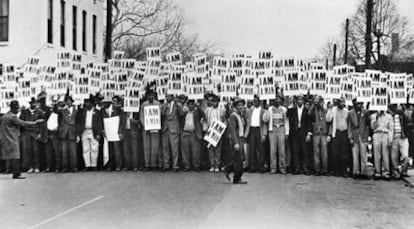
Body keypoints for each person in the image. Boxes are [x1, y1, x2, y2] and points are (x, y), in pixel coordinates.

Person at [0, 101, 44, 179]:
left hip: (5, 137)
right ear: (14, 108)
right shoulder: (13, 117)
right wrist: (34, 122)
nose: (18, 110)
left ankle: (10, 170)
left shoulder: (4, 116)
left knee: (10, 156)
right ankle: (16, 173)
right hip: (12, 137)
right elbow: (22, 123)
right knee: (16, 156)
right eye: (17, 108)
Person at [223, 97, 247, 184]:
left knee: (241, 158)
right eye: (239, 105)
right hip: (236, 139)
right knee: (239, 160)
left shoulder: (240, 115)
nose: (241, 107)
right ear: (235, 106)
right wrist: (235, 142)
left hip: (241, 138)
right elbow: (232, 130)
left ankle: (227, 169)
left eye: (242, 105)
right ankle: (237, 178)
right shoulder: (233, 115)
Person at [288, 95, 312, 175]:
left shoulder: (307, 110)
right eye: (298, 100)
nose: (300, 101)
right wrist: (291, 103)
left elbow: (309, 123)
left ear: (303, 101)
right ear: (296, 101)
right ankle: (297, 168)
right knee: (295, 151)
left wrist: (309, 133)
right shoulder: (293, 110)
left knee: (305, 151)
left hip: (303, 132)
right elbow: (288, 114)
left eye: (301, 100)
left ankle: (305, 168)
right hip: (295, 133)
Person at [77, 97, 103, 171]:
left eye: (88, 102)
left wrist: (98, 133)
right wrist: (79, 133)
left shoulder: (97, 111)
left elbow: (100, 123)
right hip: (84, 131)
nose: (87, 104)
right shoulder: (82, 111)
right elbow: (79, 123)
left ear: (92, 103)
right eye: (86, 102)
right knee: (85, 149)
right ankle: (87, 165)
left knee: (94, 149)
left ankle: (94, 165)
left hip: (93, 131)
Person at [244, 95, 268, 173]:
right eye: (254, 101)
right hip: (252, 130)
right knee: (252, 149)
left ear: (260, 102)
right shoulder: (250, 111)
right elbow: (246, 120)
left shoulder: (264, 111)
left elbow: (265, 122)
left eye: (256, 101)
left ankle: (261, 167)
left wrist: (264, 134)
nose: (255, 102)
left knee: (261, 149)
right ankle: (252, 167)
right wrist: (246, 134)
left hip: (259, 130)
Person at [327, 97, 350, 177]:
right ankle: (336, 170)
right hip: (336, 133)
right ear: (338, 103)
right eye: (341, 102)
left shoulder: (347, 111)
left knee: (344, 153)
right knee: (335, 153)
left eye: (343, 102)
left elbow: (348, 122)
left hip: (344, 133)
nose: (342, 104)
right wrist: (329, 110)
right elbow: (328, 119)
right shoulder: (333, 110)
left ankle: (343, 171)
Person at [180, 100, 205, 172]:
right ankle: (187, 166)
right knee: (185, 151)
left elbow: (203, 115)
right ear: (187, 105)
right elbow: (180, 114)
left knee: (195, 151)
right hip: (185, 133)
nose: (191, 106)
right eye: (189, 104)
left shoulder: (197, 112)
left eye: (192, 104)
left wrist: (198, 107)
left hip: (194, 133)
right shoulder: (184, 112)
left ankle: (196, 166)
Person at [101, 96, 125, 171]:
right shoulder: (103, 110)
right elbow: (101, 121)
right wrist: (103, 130)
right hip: (108, 132)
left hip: (115, 132)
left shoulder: (117, 109)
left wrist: (120, 131)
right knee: (110, 150)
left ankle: (118, 165)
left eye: (106, 103)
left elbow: (121, 120)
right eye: (104, 103)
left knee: (117, 149)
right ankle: (111, 165)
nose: (105, 104)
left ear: (109, 102)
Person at [348, 99, 370, 179]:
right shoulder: (350, 113)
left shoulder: (366, 112)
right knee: (355, 155)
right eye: (357, 104)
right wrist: (350, 137)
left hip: (363, 135)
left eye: (360, 104)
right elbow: (349, 126)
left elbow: (368, 124)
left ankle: (363, 172)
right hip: (355, 135)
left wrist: (367, 136)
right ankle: (356, 172)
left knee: (363, 155)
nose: (358, 106)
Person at [20, 97, 43, 173]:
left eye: (35, 103)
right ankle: (30, 166)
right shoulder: (25, 112)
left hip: (35, 132)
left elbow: (41, 123)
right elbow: (21, 122)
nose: (34, 104)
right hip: (27, 133)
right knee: (28, 150)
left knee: (36, 150)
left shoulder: (39, 112)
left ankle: (36, 166)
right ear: (30, 104)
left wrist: (39, 133)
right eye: (33, 103)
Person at [140, 90, 162, 171]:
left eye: (152, 95)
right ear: (147, 96)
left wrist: (155, 124)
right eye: (149, 96)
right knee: (146, 147)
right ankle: (147, 165)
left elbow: (160, 115)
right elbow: (141, 116)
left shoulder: (158, 104)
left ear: (154, 96)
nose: (151, 97)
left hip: (155, 128)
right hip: (146, 128)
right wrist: (145, 126)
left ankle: (154, 165)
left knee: (155, 146)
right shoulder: (144, 104)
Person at [161, 94, 183, 172]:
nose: (167, 98)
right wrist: (164, 111)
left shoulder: (177, 105)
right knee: (165, 148)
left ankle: (175, 165)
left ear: (172, 97)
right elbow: (161, 115)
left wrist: (178, 106)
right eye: (166, 96)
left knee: (174, 148)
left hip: (174, 128)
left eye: (169, 96)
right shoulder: (164, 105)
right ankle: (166, 164)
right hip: (165, 129)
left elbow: (181, 113)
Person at [267, 96, 289, 174]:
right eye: (276, 99)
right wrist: (266, 111)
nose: (277, 101)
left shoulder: (284, 109)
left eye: (279, 99)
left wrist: (286, 132)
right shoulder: (269, 109)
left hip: (281, 128)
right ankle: (273, 168)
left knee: (282, 150)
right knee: (272, 150)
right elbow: (265, 119)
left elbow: (286, 121)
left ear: (280, 101)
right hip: (272, 129)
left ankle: (282, 168)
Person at [204, 94, 227, 172]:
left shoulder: (221, 110)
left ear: (218, 102)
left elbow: (224, 120)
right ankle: (212, 165)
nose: (214, 103)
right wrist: (206, 129)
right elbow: (205, 120)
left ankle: (217, 165)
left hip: (217, 131)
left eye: (215, 102)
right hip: (210, 131)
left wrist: (222, 128)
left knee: (218, 150)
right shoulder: (207, 110)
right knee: (210, 149)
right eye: (212, 102)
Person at [58, 95, 80, 172]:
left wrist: (78, 134)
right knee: (64, 152)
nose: (68, 102)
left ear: (72, 101)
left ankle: (74, 167)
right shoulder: (62, 111)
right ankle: (65, 167)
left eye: (70, 100)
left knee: (73, 151)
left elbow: (78, 123)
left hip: (73, 132)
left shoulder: (76, 110)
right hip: (64, 133)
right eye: (67, 101)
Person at [370, 109, 393, 180]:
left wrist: (390, 139)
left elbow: (391, 128)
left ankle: (386, 172)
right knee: (377, 155)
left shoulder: (389, 116)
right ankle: (377, 172)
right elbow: (372, 127)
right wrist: (377, 118)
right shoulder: (373, 116)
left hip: (385, 134)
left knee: (385, 154)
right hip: (377, 134)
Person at [309, 96, 329, 176]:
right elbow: (309, 113)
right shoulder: (314, 110)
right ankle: (317, 169)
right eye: (319, 102)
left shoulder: (325, 111)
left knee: (324, 153)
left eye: (322, 102)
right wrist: (314, 104)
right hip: (316, 133)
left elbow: (329, 119)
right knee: (316, 153)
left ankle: (325, 170)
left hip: (323, 134)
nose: (321, 104)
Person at [389, 104, 410, 179]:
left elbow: (409, 120)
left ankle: (403, 171)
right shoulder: (390, 115)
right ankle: (395, 173)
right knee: (393, 156)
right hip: (394, 136)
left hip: (403, 136)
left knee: (405, 156)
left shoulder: (404, 115)